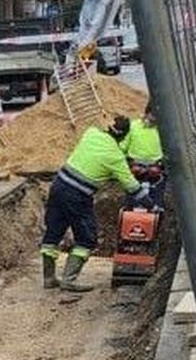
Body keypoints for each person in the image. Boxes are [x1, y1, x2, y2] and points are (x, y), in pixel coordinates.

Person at [41, 115, 146, 293]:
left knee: (53, 232)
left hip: (58, 185)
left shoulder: (91, 134)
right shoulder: (115, 158)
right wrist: (150, 203)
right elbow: (131, 186)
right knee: (86, 238)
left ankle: (49, 278)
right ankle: (69, 280)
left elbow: (95, 157)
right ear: (123, 137)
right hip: (77, 195)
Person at [120, 102, 165, 203]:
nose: (154, 119)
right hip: (137, 166)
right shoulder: (133, 126)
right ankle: (132, 206)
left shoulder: (163, 130)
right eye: (152, 115)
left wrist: (161, 164)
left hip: (153, 167)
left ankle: (155, 206)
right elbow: (123, 147)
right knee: (134, 188)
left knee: (156, 187)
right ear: (147, 113)